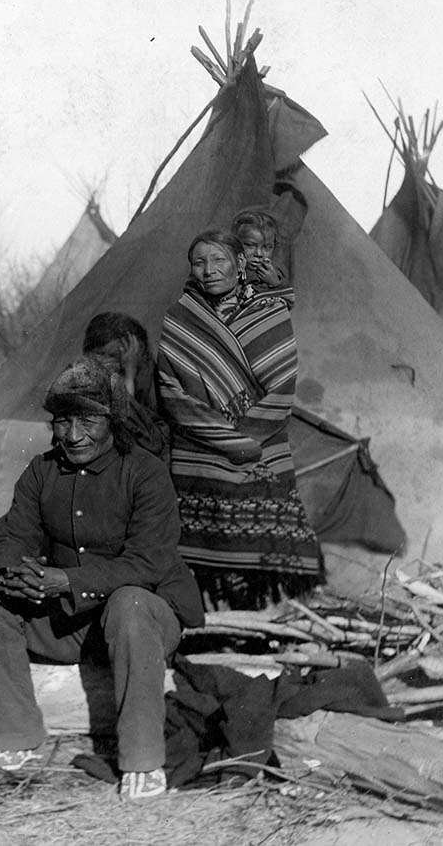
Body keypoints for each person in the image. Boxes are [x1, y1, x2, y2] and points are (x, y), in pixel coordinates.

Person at [0, 356, 204, 801]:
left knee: (129, 602)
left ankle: (142, 758)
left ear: (112, 420)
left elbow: (149, 563)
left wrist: (65, 582)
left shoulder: (145, 472)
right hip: (76, 625)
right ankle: (17, 736)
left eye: (87, 420)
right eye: (62, 421)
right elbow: (11, 533)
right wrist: (16, 573)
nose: (72, 435)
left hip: (143, 621)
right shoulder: (43, 470)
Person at [157, 228, 322, 609]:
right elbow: (171, 390)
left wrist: (245, 440)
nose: (209, 270)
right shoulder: (179, 318)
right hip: (198, 452)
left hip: (260, 447)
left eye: (219, 260)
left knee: (266, 559)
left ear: (241, 264)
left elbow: (282, 386)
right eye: (200, 262)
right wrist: (226, 440)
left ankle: (265, 625)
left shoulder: (270, 312)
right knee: (204, 563)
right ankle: (212, 627)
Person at [81, 311, 170, 461]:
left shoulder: (153, 378)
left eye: (113, 356)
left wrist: (130, 372)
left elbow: (152, 441)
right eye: (101, 355)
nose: (106, 362)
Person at [231, 208, 288, 289]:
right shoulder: (228, 271)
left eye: (267, 247)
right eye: (250, 245)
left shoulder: (276, 275)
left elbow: (288, 299)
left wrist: (275, 284)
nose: (259, 254)